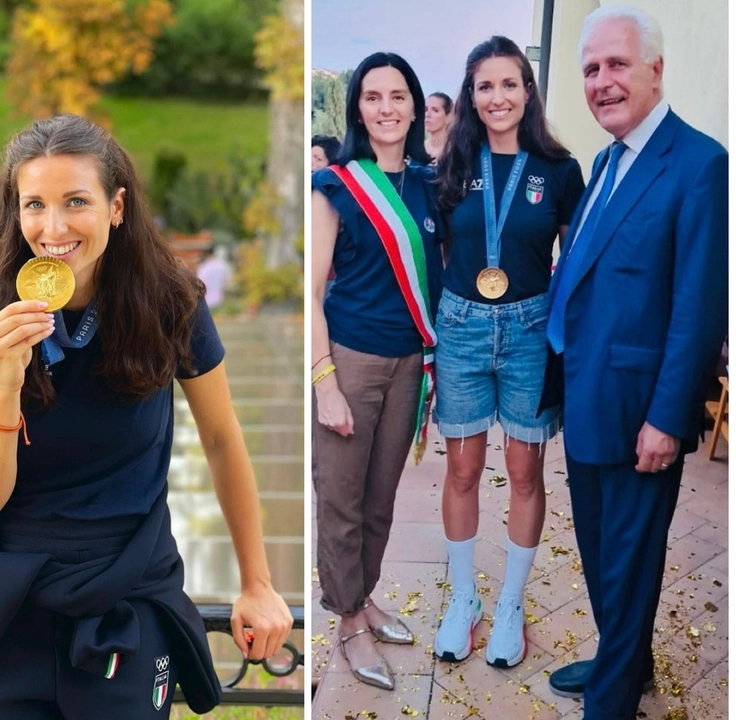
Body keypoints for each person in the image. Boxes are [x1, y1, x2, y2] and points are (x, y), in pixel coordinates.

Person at [0, 114, 291, 717]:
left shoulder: (171, 302)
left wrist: (256, 581)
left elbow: (223, 440)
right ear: (16, 212)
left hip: (122, 585)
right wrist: (6, 384)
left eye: (76, 202)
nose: (53, 227)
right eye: (34, 204)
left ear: (116, 207)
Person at [542, 7, 728, 716]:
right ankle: (626, 656)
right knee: (598, 553)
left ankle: (613, 699)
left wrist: (666, 418)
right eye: (590, 69)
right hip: (587, 394)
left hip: (640, 410)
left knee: (629, 559)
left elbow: (698, 307)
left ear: (656, 69)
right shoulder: (605, 162)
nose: (601, 81)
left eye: (616, 64)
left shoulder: (700, 163)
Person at [430, 35, 585, 669]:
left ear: (528, 90)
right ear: (471, 95)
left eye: (509, 83)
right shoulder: (450, 165)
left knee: (525, 473)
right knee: (462, 470)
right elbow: (437, 254)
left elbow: (576, 262)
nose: (497, 97)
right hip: (462, 329)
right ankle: (463, 598)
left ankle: (512, 603)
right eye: (484, 85)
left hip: (528, 331)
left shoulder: (559, 169)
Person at [310, 52, 442, 691]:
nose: (386, 108)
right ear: (357, 108)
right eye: (372, 96)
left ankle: (365, 598)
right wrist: (323, 381)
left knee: (381, 499)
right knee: (341, 499)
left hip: (411, 363)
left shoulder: (430, 183)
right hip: (351, 361)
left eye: (397, 96)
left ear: (415, 106)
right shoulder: (336, 184)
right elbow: (309, 292)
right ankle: (347, 621)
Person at [425, 91, 454, 161]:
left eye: (435, 110)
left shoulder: (456, 151)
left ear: (448, 117)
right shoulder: (416, 150)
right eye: (425, 110)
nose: (427, 115)